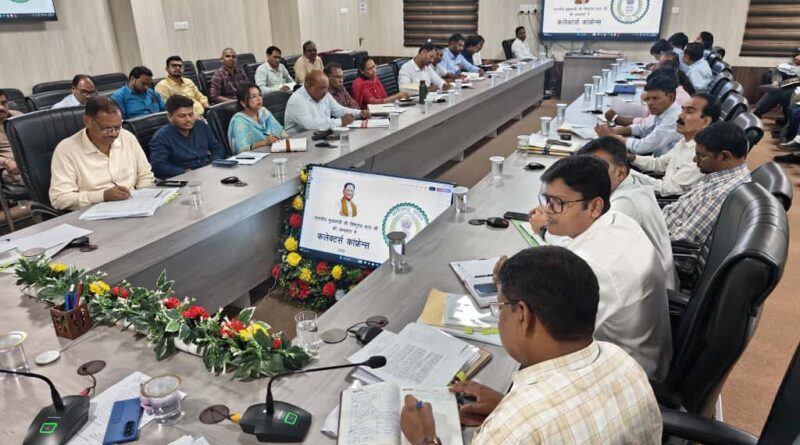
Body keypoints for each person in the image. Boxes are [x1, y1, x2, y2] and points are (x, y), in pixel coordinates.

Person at [400, 247, 662, 445]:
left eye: (501, 306)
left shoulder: (514, 431)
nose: (499, 316)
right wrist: (506, 404)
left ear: (523, 316)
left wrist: (425, 439)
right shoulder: (623, 361)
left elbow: (526, 428)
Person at [528, 156, 672, 379]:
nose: (547, 210)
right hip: (650, 353)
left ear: (594, 206)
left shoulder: (593, 267)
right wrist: (546, 232)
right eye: (546, 199)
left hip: (625, 377)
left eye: (558, 203)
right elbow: (574, 247)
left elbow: (554, 335)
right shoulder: (619, 221)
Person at [577, 137, 677, 290]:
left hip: (650, 291)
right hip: (648, 280)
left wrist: (547, 230)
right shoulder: (631, 181)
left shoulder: (624, 204)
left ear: (620, 172)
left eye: (598, 168)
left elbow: (591, 254)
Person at [49, 97, 154, 211]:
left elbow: (145, 175)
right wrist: (103, 196)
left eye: (118, 127)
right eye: (106, 128)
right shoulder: (66, 150)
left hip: (135, 206)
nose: (114, 133)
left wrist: (144, 199)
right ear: (87, 121)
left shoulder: (127, 137)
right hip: (93, 212)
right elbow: (59, 199)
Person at [663, 122, 751, 249]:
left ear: (724, 157)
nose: (695, 159)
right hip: (664, 224)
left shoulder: (721, 194)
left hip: (663, 246)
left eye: (701, 155)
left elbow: (682, 238)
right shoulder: (721, 175)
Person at [630, 93, 719, 196]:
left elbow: (667, 190)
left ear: (706, 121)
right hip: (659, 189)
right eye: (683, 110)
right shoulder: (685, 142)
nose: (680, 115)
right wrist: (630, 157)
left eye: (689, 112)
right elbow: (659, 164)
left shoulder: (701, 156)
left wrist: (627, 175)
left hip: (665, 201)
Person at [595, 74, 682, 156]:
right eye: (648, 99)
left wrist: (611, 136)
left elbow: (641, 147)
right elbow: (641, 128)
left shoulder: (675, 118)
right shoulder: (662, 111)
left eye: (655, 98)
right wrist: (615, 130)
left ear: (671, 97)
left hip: (665, 165)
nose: (650, 103)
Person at [149, 95, 224, 178]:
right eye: (182, 116)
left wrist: (213, 163)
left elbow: (217, 148)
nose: (188, 119)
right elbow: (158, 165)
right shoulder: (161, 137)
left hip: (207, 172)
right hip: (182, 178)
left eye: (191, 115)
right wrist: (183, 172)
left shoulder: (201, 126)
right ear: (170, 117)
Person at [284, 70, 368, 135]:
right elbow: (310, 125)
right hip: (299, 142)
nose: (325, 92)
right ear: (309, 86)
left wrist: (359, 113)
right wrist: (340, 121)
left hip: (321, 136)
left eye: (326, 88)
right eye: (321, 88)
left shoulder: (324, 94)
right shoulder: (297, 100)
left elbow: (339, 110)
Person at [606, 65, 692, 126]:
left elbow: (648, 125)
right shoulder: (677, 91)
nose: (650, 103)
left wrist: (617, 119)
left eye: (655, 97)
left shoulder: (676, 100)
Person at [228, 83, 285, 154]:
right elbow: (241, 150)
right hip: (254, 157)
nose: (259, 99)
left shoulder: (264, 112)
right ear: (243, 103)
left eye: (260, 95)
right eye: (253, 96)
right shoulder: (239, 121)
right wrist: (264, 142)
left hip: (272, 151)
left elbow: (280, 132)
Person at [0, 90, 24, 185]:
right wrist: (6, 161)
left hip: (31, 161)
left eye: (4, 103)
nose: (1, 107)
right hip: (11, 168)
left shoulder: (18, 116)